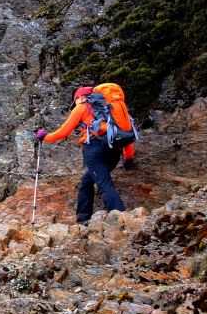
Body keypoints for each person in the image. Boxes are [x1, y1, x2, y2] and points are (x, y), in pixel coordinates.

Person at [35, 86, 135, 224]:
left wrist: (44, 137)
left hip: (94, 151)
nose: (75, 103)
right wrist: (128, 157)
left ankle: (122, 219)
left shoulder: (83, 106)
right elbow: (124, 133)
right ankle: (83, 218)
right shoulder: (111, 108)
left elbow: (63, 132)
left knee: (105, 184)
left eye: (75, 100)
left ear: (80, 97)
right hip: (114, 152)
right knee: (87, 180)